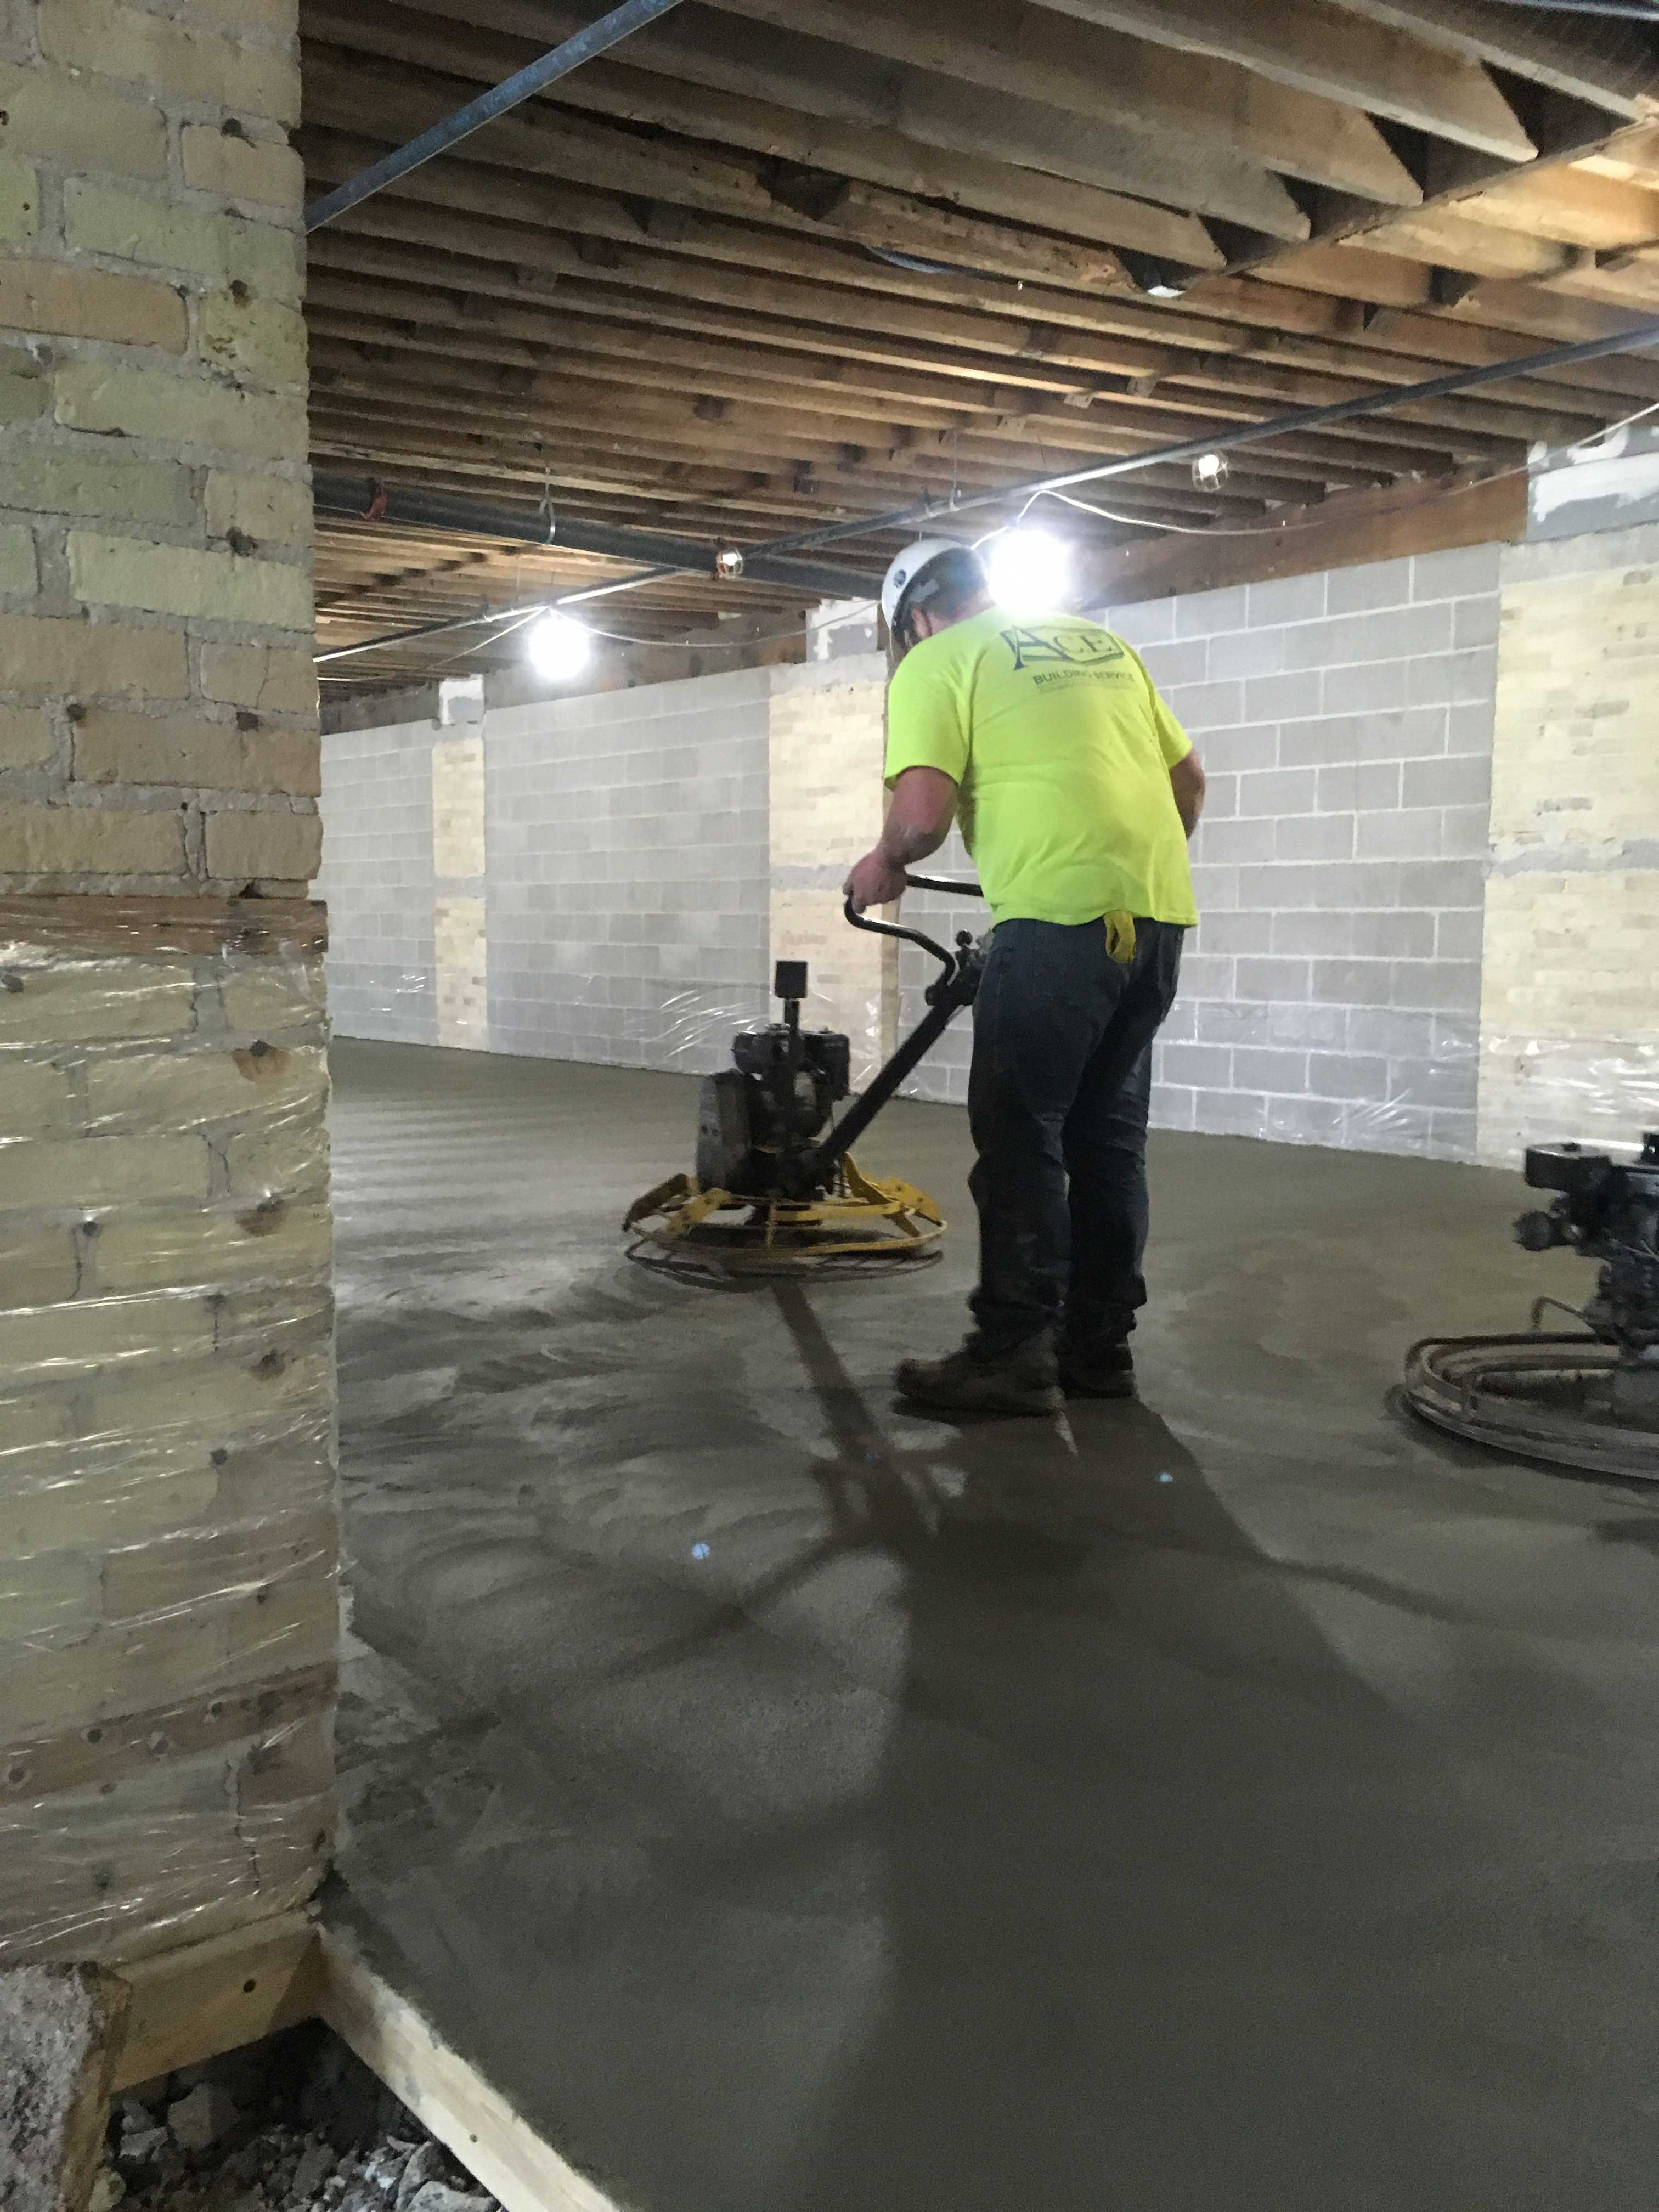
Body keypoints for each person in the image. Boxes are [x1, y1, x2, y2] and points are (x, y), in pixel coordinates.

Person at [845, 538, 1205, 1418]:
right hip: (1155, 921)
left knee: (1020, 1135)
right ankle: (1099, 1352)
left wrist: (883, 863)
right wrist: (1124, 868)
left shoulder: (936, 663)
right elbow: (1188, 783)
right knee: (1107, 1142)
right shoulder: (1101, 646)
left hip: (1052, 925)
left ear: (916, 618)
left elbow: (923, 818)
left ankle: (1012, 1349)